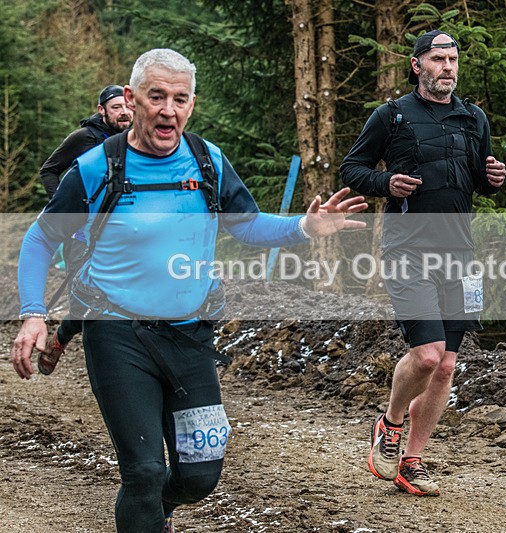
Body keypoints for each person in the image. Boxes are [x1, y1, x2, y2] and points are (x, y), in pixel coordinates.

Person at [11, 48, 367, 532]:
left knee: (199, 476)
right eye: (156, 96)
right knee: (144, 472)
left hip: (189, 336)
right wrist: (34, 313)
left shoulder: (207, 160)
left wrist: (304, 227)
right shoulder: (97, 167)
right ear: (132, 100)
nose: (168, 109)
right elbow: (40, 237)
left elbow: (246, 225)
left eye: (179, 99)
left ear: (191, 105)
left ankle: (158, 516)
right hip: (116, 334)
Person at [340, 29, 506, 496]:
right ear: (418, 66)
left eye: (453, 59)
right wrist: (386, 182)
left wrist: (493, 178)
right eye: (437, 59)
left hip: (460, 253)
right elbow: (351, 169)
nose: (447, 67)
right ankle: (390, 424)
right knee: (427, 354)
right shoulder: (391, 115)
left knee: (448, 366)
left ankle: (411, 461)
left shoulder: (473, 117)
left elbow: (476, 176)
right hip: (407, 248)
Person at [36, 84, 133, 375]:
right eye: (116, 108)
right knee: (87, 297)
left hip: (123, 234)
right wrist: (65, 209)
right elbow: (49, 170)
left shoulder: (137, 139)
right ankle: (61, 338)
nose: (123, 113)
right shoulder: (84, 138)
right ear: (102, 111)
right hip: (81, 234)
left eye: (127, 107)